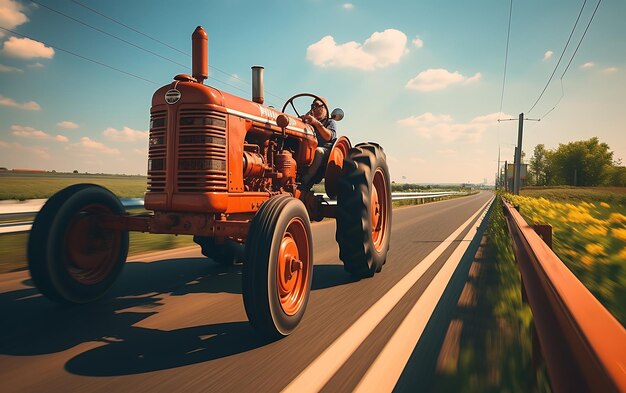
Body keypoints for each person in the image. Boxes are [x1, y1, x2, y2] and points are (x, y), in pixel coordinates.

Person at [299, 97, 337, 189]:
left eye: (316, 105)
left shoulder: (330, 121)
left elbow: (328, 137)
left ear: (323, 108)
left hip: (326, 150)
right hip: (310, 147)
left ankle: (306, 179)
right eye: (312, 106)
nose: (314, 108)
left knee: (318, 151)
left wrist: (316, 123)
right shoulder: (310, 121)